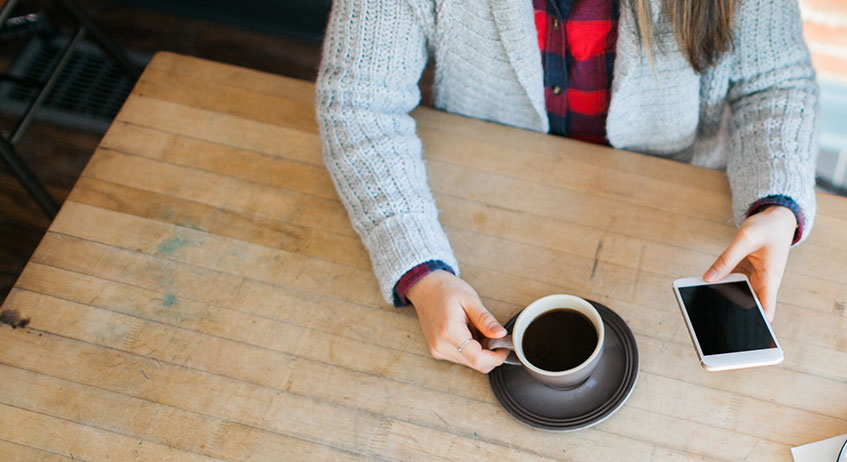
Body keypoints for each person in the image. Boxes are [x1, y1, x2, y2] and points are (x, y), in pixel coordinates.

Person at [316, 0, 817, 373]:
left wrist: (777, 202)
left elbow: (774, 84)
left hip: (667, 218)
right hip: (477, 210)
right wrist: (419, 268)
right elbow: (359, 100)